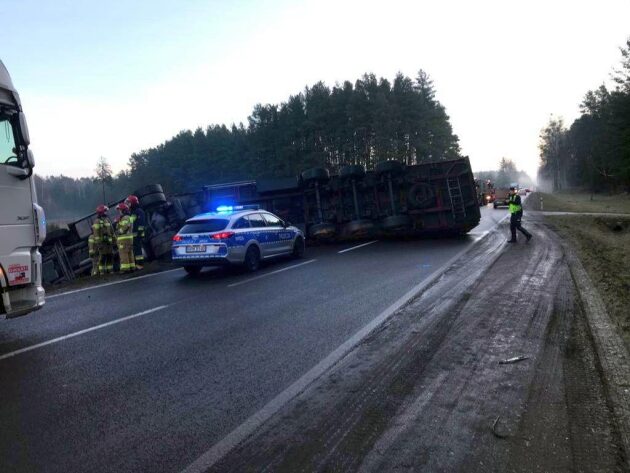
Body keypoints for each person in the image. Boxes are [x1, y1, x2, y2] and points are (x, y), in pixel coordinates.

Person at [92, 205, 115, 274]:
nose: (106, 212)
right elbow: (96, 234)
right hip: (102, 243)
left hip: (109, 243)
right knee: (102, 258)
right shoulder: (96, 222)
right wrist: (99, 244)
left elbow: (112, 231)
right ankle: (102, 271)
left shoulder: (107, 220)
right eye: (105, 211)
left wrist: (114, 240)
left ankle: (110, 270)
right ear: (101, 212)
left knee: (110, 256)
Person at [125, 195, 146, 270]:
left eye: (129, 203)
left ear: (133, 203)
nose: (128, 204)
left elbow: (142, 223)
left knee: (138, 250)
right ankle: (137, 264)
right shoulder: (132, 212)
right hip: (133, 235)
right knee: (135, 250)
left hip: (137, 235)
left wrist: (140, 233)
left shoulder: (139, 211)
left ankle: (140, 264)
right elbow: (131, 223)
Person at [116, 203, 135, 273]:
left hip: (124, 239)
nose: (119, 212)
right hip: (129, 238)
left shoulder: (125, 217)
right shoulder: (128, 217)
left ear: (123, 210)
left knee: (123, 254)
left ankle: (125, 269)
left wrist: (119, 232)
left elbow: (124, 227)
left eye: (119, 210)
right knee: (130, 253)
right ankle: (132, 267)